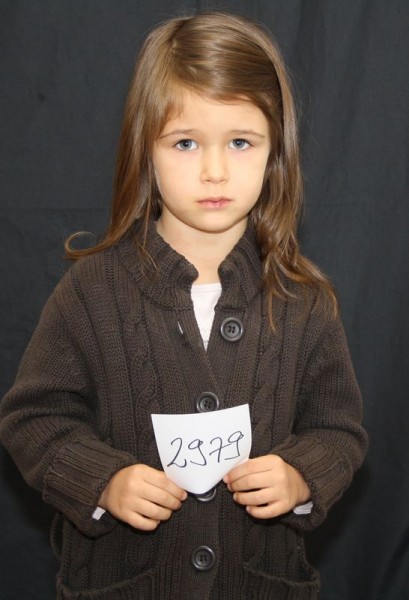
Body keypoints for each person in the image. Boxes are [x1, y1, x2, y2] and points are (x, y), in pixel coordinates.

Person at [0, 11, 368, 600]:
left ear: (275, 153)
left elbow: (339, 430)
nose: (214, 171)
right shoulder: (91, 292)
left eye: (241, 142)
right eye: (186, 142)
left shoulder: (303, 300)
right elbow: (33, 418)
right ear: (145, 149)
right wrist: (102, 482)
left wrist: (302, 476)